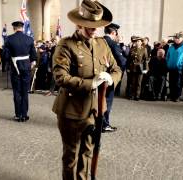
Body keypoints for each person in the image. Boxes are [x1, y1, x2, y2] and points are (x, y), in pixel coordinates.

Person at [52, 0, 122, 179]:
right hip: (71, 111)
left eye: (96, 27)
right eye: (90, 27)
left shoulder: (102, 44)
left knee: (87, 153)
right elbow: (61, 77)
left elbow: (116, 69)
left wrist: (110, 78)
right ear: (78, 24)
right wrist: (91, 83)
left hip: (95, 110)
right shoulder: (66, 45)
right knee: (71, 156)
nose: (94, 31)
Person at [3, 21, 37, 122]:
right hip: (26, 66)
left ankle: (18, 115)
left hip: (15, 67)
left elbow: (5, 56)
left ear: (14, 28)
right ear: (22, 28)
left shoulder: (9, 39)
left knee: (17, 92)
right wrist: (32, 63)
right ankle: (24, 115)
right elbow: (33, 55)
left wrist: (8, 62)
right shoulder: (29, 39)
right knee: (25, 91)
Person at [102, 23, 126, 132]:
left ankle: (96, 122)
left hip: (98, 75)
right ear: (113, 33)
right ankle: (104, 124)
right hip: (109, 76)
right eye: (116, 33)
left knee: (98, 99)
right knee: (107, 101)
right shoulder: (113, 43)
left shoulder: (99, 41)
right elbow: (122, 61)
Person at [166, 32, 183, 102]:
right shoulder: (171, 47)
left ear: (181, 38)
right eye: (175, 38)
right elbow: (167, 56)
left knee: (178, 83)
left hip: (179, 68)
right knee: (171, 82)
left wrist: (181, 63)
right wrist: (168, 63)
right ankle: (171, 95)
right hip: (171, 68)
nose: (176, 39)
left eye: (177, 38)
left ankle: (177, 96)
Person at [127, 36, 148, 100]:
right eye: (136, 41)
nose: (137, 42)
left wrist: (145, 69)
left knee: (139, 82)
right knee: (133, 82)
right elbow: (129, 59)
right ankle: (132, 95)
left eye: (139, 41)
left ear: (141, 42)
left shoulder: (144, 49)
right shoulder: (132, 49)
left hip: (140, 67)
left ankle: (137, 95)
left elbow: (145, 60)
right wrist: (128, 67)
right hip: (133, 67)